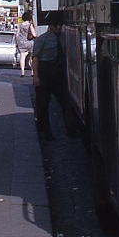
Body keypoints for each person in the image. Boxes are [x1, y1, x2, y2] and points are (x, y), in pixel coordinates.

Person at [31, 10, 77, 141]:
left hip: (59, 73)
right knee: (43, 105)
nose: (58, 27)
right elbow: (36, 58)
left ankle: (70, 129)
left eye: (60, 25)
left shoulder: (64, 37)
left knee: (66, 103)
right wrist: (36, 76)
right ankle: (45, 131)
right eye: (56, 25)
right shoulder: (42, 39)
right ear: (50, 26)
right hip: (45, 72)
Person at [15, 9, 36, 77]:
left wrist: (16, 42)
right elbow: (34, 34)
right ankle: (32, 72)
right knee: (31, 57)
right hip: (30, 42)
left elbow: (17, 35)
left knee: (22, 57)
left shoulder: (20, 25)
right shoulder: (30, 25)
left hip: (22, 42)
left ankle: (22, 72)